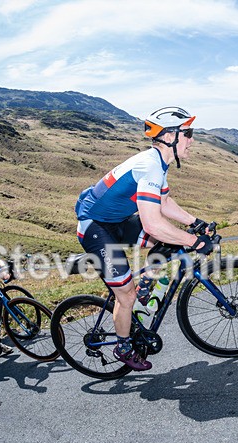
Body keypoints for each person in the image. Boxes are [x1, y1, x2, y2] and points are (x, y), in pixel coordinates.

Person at [74, 106, 213, 371]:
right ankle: (123, 346)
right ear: (170, 136)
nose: (192, 140)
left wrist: (195, 223)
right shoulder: (150, 166)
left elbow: (164, 203)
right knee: (125, 296)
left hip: (116, 221)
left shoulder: (158, 162)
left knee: (168, 243)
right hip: (96, 228)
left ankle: (146, 285)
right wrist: (194, 242)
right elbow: (153, 224)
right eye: (188, 133)